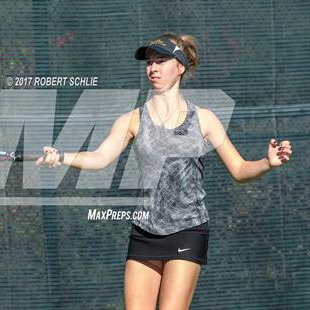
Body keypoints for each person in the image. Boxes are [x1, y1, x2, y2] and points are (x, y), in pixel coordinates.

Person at [36, 32, 293, 309]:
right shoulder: (132, 120)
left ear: (180, 67)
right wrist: (62, 157)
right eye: (149, 62)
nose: (153, 68)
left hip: (188, 230)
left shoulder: (204, 119)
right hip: (144, 231)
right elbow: (100, 158)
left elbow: (240, 169)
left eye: (161, 61)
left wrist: (267, 162)